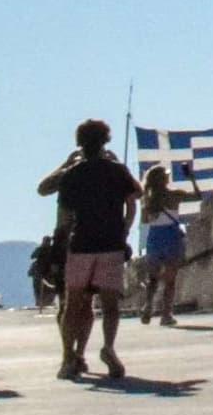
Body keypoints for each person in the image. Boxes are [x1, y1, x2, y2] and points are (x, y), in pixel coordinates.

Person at [35, 118, 139, 380]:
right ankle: (108, 347)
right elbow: (134, 198)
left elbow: (64, 215)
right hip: (111, 243)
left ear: (80, 143)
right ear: (106, 140)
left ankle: (68, 358)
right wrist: (125, 229)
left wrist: (61, 243)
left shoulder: (72, 174)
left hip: (81, 244)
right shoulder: (117, 170)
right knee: (110, 304)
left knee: (72, 304)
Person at [132, 162, 187, 325]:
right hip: (171, 236)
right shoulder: (174, 195)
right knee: (170, 280)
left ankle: (148, 306)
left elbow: (144, 222)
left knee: (153, 278)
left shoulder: (147, 200)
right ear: (163, 179)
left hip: (155, 236)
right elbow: (198, 196)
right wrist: (191, 179)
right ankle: (166, 314)